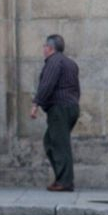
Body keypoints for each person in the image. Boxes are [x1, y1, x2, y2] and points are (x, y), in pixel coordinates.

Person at [30, 34, 81, 192]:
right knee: (52, 142)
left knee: (59, 145)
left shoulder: (53, 62)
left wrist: (35, 104)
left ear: (50, 48)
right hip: (71, 107)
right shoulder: (71, 63)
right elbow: (76, 89)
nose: (43, 49)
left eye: (44, 46)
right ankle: (62, 179)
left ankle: (65, 182)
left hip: (60, 108)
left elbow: (47, 84)